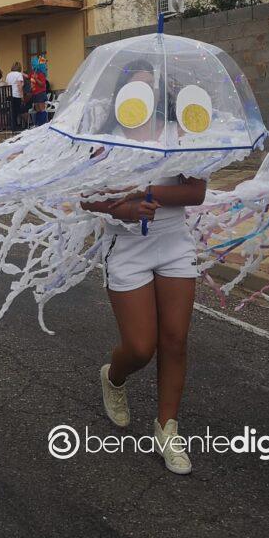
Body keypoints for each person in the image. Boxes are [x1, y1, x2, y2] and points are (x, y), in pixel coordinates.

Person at [81, 61, 207, 475]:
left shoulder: (177, 134)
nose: (144, 93)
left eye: (151, 86)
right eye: (136, 86)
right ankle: (114, 377)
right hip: (127, 245)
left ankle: (167, 429)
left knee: (175, 341)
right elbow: (87, 197)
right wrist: (126, 209)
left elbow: (196, 191)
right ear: (121, 93)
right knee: (139, 348)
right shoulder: (105, 141)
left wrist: (147, 191)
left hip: (173, 244)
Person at [5, 62, 25, 132]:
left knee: (12, 111)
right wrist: (22, 96)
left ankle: (13, 126)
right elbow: (19, 85)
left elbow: (7, 85)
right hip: (16, 94)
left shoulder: (8, 74)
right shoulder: (19, 74)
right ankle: (16, 126)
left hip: (10, 95)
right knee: (17, 111)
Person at [30, 55, 49, 127]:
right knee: (37, 109)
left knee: (42, 109)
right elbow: (28, 77)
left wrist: (36, 79)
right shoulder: (33, 73)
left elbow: (42, 84)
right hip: (35, 93)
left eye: (33, 65)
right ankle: (38, 124)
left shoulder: (41, 74)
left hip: (40, 93)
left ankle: (43, 124)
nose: (32, 66)